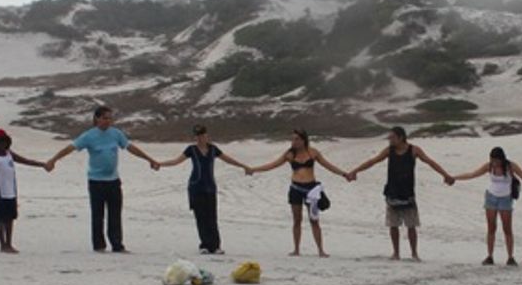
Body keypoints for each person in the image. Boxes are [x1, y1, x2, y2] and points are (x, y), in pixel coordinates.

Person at [46, 106, 161, 253]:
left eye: (110, 118)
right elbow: (70, 148)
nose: (108, 121)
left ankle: (117, 245)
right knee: (97, 215)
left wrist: (149, 159)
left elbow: (131, 147)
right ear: (97, 119)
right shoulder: (89, 136)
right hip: (96, 181)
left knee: (115, 214)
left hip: (113, 181)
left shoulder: (116, 134)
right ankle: (99, 245)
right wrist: (53, 160)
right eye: (105, 118)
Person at [346, 127, 454, 261]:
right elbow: (372, 161)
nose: (389, 140)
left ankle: (414, 253)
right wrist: (355, 171)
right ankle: (396, 253)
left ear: (401, 137)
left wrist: (446, 175)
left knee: (411, 226)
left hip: (408, 193)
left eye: (392, 137)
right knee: (393, 225)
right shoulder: (389, 151)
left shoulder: (414, 150)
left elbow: (430, 162)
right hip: (392, 192)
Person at [245, 129, 354, 257]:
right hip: (296, 188)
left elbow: (328, 165)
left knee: (314, 221)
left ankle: (321, 250)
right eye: (293, 139)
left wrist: (344, 174)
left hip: (311, 190)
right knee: (297, 220)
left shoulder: (313, 152)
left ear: (303, 140)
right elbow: (273, 165)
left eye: (297, 139)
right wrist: (254, 169)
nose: (294, 142)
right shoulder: (289, 154)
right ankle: (296, 249)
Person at [152, 125, 249, 254]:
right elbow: (176, 161)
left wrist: (243, 166)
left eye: (202, 135)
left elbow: (228, 159)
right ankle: (204, 244)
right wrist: (160, 164)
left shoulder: (213, 149)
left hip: (210, 187)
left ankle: (215, 246)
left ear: (207, 136)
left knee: (212, 217)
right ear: (195, 137)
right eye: (198, 136)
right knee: (201, 217)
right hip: (196, 187)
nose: (200, 138)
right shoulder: (191, 149)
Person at [448, 146, 522, 265]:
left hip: (506, 198)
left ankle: (510, 257)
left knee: (507, 228)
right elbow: (472, 174)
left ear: (502, 159)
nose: (494, 163)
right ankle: (490, 256)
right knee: (491, 227)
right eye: (492, 160)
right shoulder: (489, 166)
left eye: (496, 160)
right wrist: (454, 178)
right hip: (491, 197)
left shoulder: (511, 167)